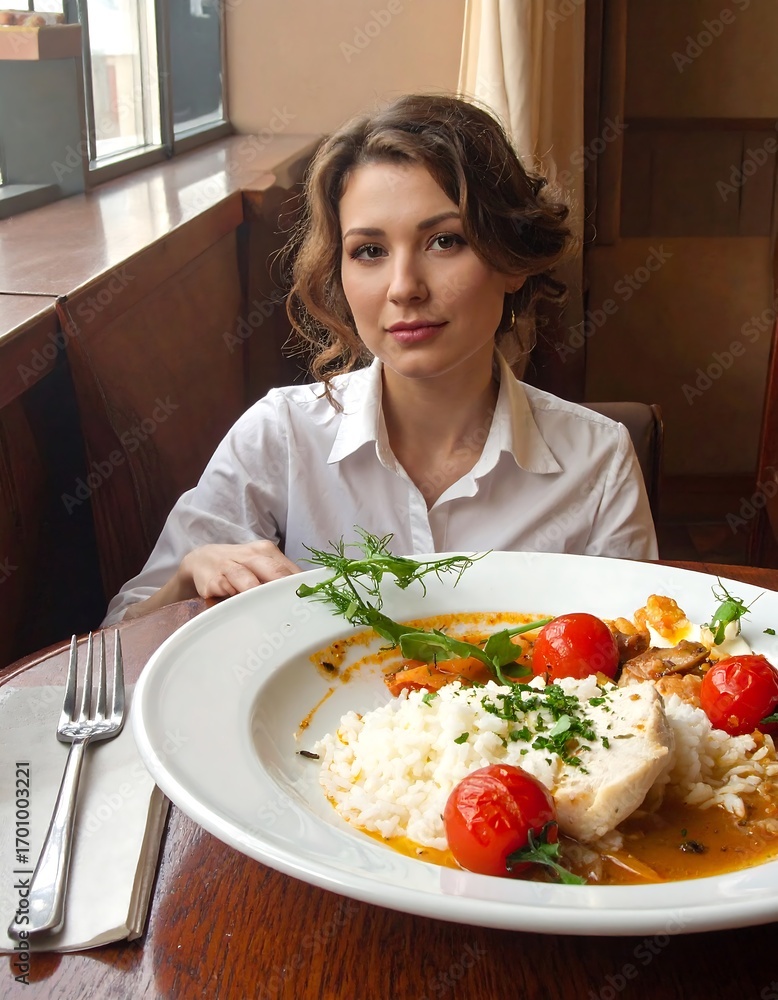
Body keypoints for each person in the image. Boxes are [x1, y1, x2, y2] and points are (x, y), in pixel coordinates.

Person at [102, 93, 657, 625]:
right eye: (369, 251)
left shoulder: (598, 462)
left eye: (445, 241)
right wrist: (189, 577)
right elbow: (121, 639)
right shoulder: (280, 435)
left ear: (512, 260)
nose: (404, 287)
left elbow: (642, 658)